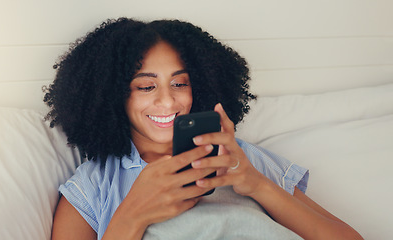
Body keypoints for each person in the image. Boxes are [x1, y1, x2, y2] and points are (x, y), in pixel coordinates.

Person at [44, 18, 363, 240]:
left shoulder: (240, 157)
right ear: (114, 94)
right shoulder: (92, 185)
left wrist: (256, 184)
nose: (167, 102)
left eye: (180, 83)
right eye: (146, 87)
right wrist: (133, 213)